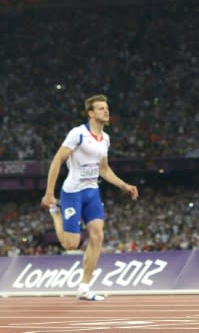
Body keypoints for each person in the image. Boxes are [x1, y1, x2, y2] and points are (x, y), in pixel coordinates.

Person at [41, 94, 139, 301]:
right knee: (71, 244)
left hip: (92, 191)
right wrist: (50, 193)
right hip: (72, 192)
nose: (106, 111)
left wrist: (124, 185)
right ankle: (55, 212)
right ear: (91, 113)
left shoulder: (106, 138)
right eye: (102, 108)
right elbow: (57, 161)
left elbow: (103, 169)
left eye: (107, 108)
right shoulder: (77, 134)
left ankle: (84, 288)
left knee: (97, 236)